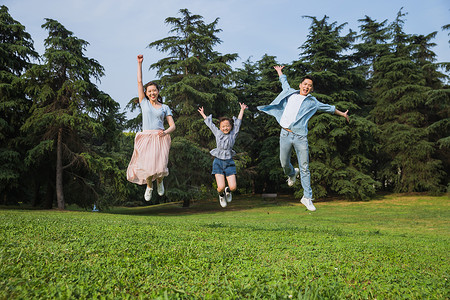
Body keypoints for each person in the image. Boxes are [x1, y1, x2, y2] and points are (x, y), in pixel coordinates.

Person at [257, 66, 349, 211]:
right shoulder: (290, 94)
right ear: (300, 85)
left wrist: (343, 114)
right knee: (283, 162)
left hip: (300, 137)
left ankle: (307, 197)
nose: (306, 87)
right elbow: (284, 83)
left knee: (305, 167)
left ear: (312, 89)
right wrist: (280, 72)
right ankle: (292, 173)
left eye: (310, 86)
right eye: (305, 84)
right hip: (285, 134)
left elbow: (329, 108)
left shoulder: (313, 102)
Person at [127, 54, 176, 201]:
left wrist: (165, 132)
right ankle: (149, 187)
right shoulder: (144, 103)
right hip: (146, 138)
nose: (152, 93)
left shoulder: (165, 107)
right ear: (146, 94)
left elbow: (173, 126)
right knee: (147, 168)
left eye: (154, 90)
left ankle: (160, 182)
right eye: (149, 91)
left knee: (160, 168)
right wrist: (140, 64)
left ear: (158, 92)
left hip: (160, 137)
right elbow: (139, 81)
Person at [198, 103, 248, 208]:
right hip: (218, 162)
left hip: (229, 162)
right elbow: (209, 124)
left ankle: (228, 191)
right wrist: (203, 114)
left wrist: (242, 110)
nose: (225, 128)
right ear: (220, 127)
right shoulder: (217, 133)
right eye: (223, 126)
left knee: (233, 187)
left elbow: (238, 122)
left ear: (231, 127)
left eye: (227, 126)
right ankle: (221, 195)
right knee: (220, 187)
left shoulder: (233, 134)